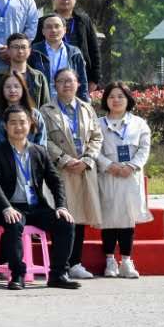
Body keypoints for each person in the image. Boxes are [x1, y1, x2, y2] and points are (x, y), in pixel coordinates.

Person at [0, 106, 80, 289]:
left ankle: (58, 275)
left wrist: (61, 206)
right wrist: (6, 207)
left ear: (30, 125)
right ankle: (17, 275)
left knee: (65, 223)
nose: (18, 127)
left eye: (22, 122)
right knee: (14, 223)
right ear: (5, 126)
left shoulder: (39, 151)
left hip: (36, 207)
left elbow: (56, 181)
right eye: (13, 123)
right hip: (11, 207)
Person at [41, 68, 103, 281]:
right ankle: (61, 264)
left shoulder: (87, 108)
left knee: (80, 216)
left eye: (70, 81)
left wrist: (88, 159)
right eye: (61, 81)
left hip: (83, 169)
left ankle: (75, 263)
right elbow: (44, 139)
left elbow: (97, 137)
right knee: (63, 216)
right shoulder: (46, 110)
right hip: (61, 170)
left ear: (78, 84)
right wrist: (64, 159)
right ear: (55, 85)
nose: (66, 85)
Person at [95, 82, 151, 278]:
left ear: (128, 100)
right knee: (108, 219)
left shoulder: (139, 123)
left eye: (120, 96)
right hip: (108, 176)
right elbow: (93, 150)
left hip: (130, 177)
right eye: (112, 96)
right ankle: (110, 261)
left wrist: (132, 166)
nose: (116, 100)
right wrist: (109, 165)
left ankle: (127, 261)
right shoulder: (98, 124)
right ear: (106, 100)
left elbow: (144, 149)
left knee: (128, 219)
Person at [0, 33, 53, 112]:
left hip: (33, 118)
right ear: (8, 50)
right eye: (15, 47)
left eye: (23, 47)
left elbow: (46, 108)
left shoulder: (39, 77)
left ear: (29, 50)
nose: (20, 51)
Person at [50, 0, 101, 86]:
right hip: (53, 77)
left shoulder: (84, 20)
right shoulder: (45, 22)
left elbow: (94, 50)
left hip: (81, 77)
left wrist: (94, 79)